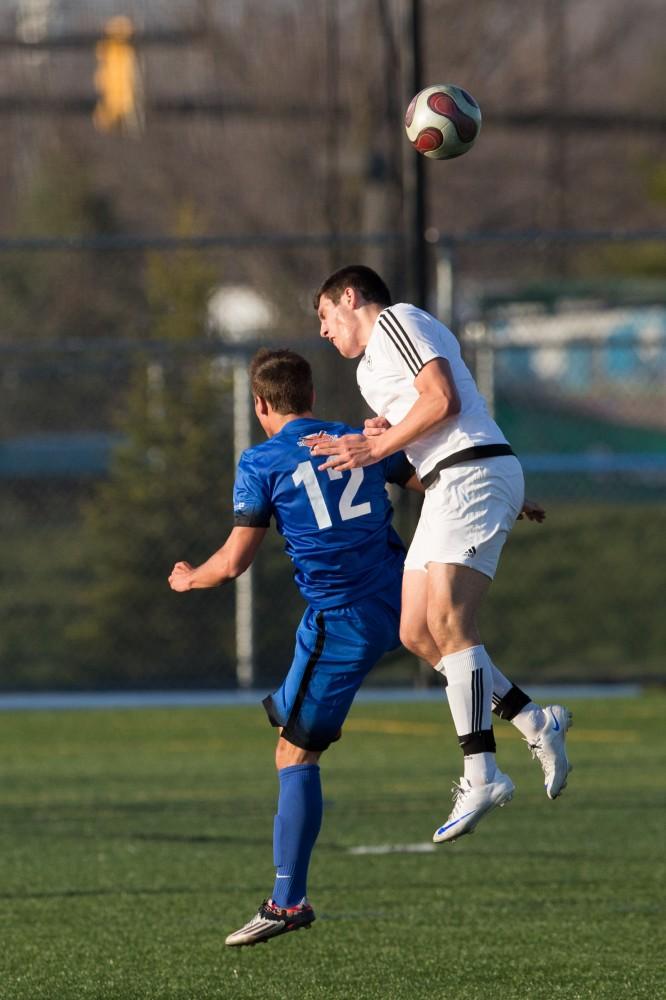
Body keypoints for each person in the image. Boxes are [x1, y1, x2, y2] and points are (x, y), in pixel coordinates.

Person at [309, 264, 572, 845]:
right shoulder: (368, 370)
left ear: (350, 297)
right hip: (456, 481)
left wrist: (376, 441)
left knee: (452, 621)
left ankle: (482, 772)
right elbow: (420, 423)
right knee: (416, 632)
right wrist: (378, 432)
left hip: (470, 474)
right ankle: (536, 720)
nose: (324, 331)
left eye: (326, 315)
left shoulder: (398, 322)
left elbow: (444, 401)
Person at [168, 347, 422, 947]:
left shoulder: (262, 461)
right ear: (310, 396)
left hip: (344, 619)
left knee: (294, 756)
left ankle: (287, 901)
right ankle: (517, 716)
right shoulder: (356, 437)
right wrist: (507, 498)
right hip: (402, 590)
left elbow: (232, 564)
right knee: (293, 715)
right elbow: (424, 476)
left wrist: (186, 578)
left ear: (260, 405)